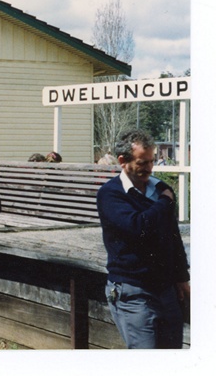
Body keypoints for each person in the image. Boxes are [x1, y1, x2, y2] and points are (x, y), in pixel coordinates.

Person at [96, 129, 189, 349]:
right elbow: (138, 227)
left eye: (151, 161)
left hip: (166, 290)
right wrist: (165, 203)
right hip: (133, 292)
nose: (149, 168)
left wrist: (182, 277)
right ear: (122, 161)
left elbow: (172, 236)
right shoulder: (111, 194)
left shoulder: (159, 189)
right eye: (142, 162)